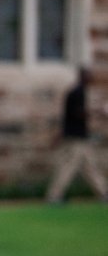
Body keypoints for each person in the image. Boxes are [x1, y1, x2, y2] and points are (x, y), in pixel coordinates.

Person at [45, 67, 108, 204]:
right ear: (82, 76)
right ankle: (54, 196)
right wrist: (98, 111)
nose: (91, 78)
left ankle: (103, 193)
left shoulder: (78, 92)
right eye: (88, 75)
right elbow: (77, 113)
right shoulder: (77, 92)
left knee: (90, 167)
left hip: (80, 137)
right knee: (68, 167)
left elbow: (68, 116)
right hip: (75, 138)